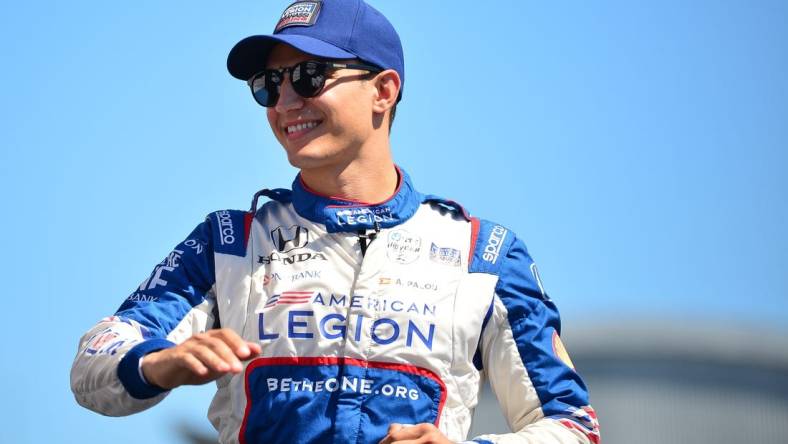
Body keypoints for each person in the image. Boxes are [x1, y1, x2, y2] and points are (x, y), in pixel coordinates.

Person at [71, 1, 600, 443]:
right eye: (267, 84)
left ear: (384, 90)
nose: (284, 102)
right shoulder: (230, 241)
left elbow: (572, 426)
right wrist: (158, 363)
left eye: (308, 76)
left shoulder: (481, 253)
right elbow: (94, 360)